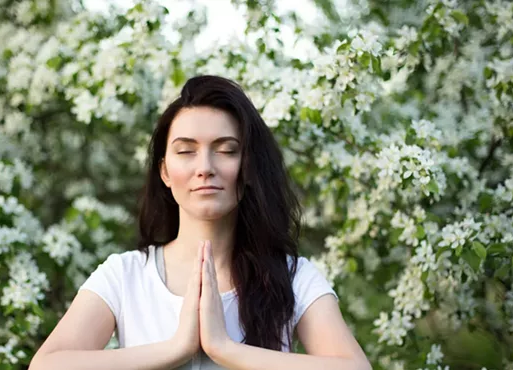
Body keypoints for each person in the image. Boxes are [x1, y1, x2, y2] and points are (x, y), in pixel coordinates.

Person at [29, 75, 371, 370]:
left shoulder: (294, 277)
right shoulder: (125, 275)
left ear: (248, 166)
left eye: (226, 149)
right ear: (164, 171)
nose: (205, 167)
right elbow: (45, 365)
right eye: (185, 150)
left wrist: (226, 348)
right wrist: (176, 348)